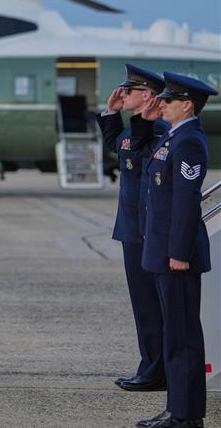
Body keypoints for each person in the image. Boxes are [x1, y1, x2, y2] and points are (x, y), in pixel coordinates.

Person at [134, 72, 216, 428]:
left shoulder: (189, 142)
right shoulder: (172, 136)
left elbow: (185, 202)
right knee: (174, 334)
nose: (161, 104)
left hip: (176, 255)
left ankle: (186, 416)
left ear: (187, 105)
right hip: (163, 251)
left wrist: (179, 252)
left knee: (182, 336)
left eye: (168, 100)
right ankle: (176, 410)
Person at [95, 64, 167, 392]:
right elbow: (120, 147)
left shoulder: (158, 130)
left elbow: (137, 146)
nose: (123, 94)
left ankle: (155, 371)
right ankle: (152, 366)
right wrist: (110, 114)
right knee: (144, 305)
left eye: (130, 91)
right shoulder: (137, 130)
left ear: (148, 96)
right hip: (132, 229)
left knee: (153, 305)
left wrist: (137, 121)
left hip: (147, 230)